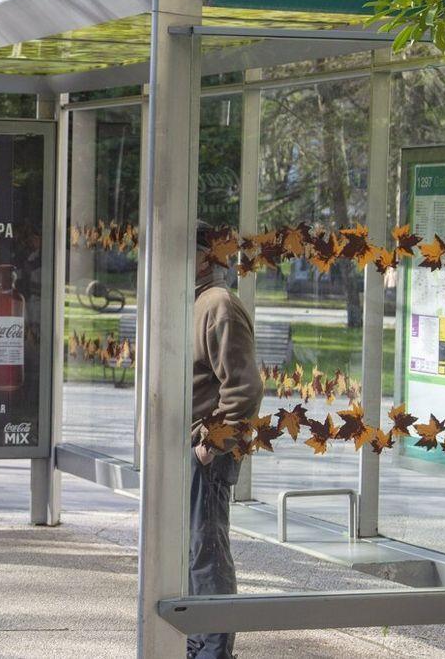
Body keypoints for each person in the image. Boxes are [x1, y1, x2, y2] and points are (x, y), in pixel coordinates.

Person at [188, 221, 264, 659]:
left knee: (206, 553)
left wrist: (210, 445)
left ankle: (213, 650)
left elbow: (244, 388)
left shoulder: (218, 304)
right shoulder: (191, 300)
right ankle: (195, 641)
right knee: (185, 551)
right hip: (185, 448)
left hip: (205, 452)